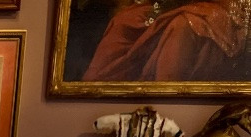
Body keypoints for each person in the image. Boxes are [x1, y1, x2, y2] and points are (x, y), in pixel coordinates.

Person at [83, 0, 248, 83]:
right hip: (168, 4)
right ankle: (95, 88)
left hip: (215, 6)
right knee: (123, 22)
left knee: (181, 27)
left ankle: (160, 96)